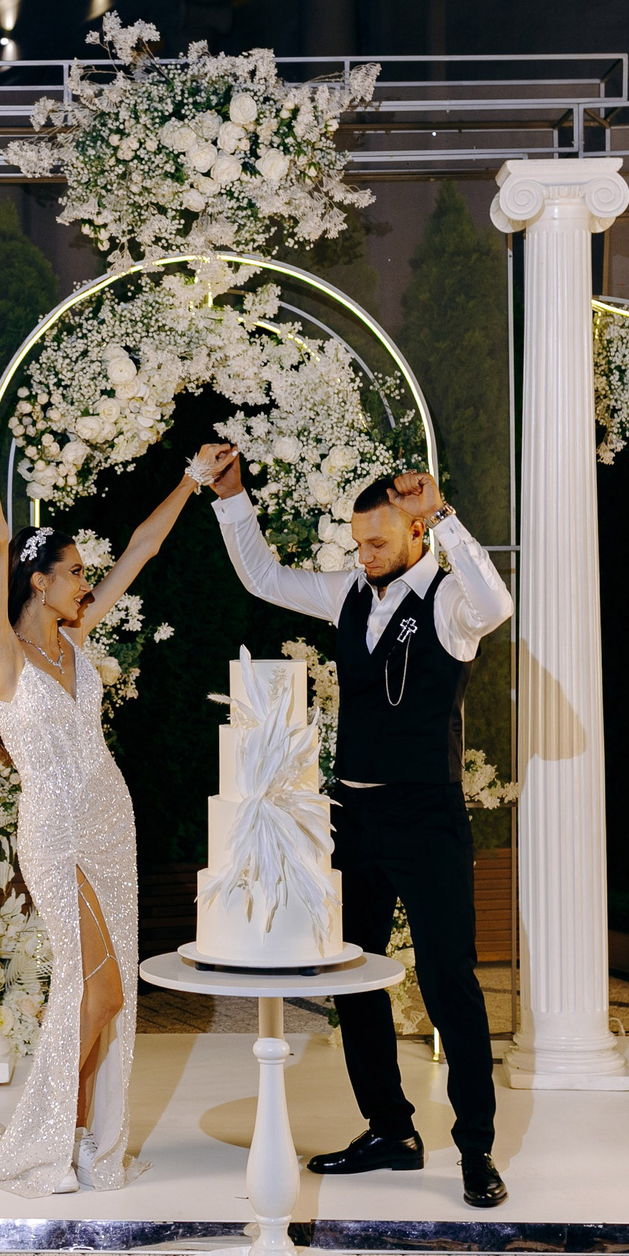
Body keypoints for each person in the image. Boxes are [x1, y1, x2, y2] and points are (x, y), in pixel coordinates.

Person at [202, 447, 516, 1208]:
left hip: (427, 815)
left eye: (378, 541)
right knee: (349, 971)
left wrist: (445, 514)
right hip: (353, 813)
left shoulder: (448, 602)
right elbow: (265, 578)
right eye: (358, 542)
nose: (364, 554)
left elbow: (496, 606)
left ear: (414, 533)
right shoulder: (348, 591)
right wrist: (232, 498)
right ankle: (391, 1129)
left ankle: (476, 1150)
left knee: (450, 984)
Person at [0, 369, 205, 1195]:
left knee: (111, 1001)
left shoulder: (76, 640)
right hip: (55, 828)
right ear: (40, 582)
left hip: (114, 823)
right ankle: (49, 1134)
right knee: (100, 986)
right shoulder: (2, 653)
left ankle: (82, 1138)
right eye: (77, 572)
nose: (88, 581)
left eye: (87, 572)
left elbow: (145, 549)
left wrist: (189, 481)